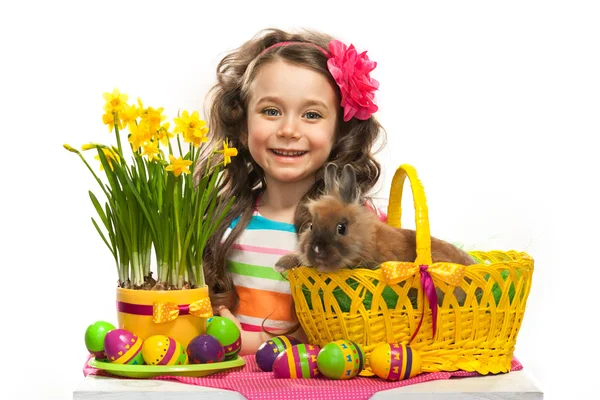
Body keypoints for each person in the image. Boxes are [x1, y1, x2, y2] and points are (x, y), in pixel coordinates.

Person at [194, 28, 387, 356]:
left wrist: (261, 345)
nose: (288, 130)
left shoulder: (352, 228)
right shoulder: (224, 222)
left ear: (339, 131)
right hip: (229, 384)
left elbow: (361, 318)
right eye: (271, 111)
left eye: (312, 115)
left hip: (316, 380)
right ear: (243, 127)